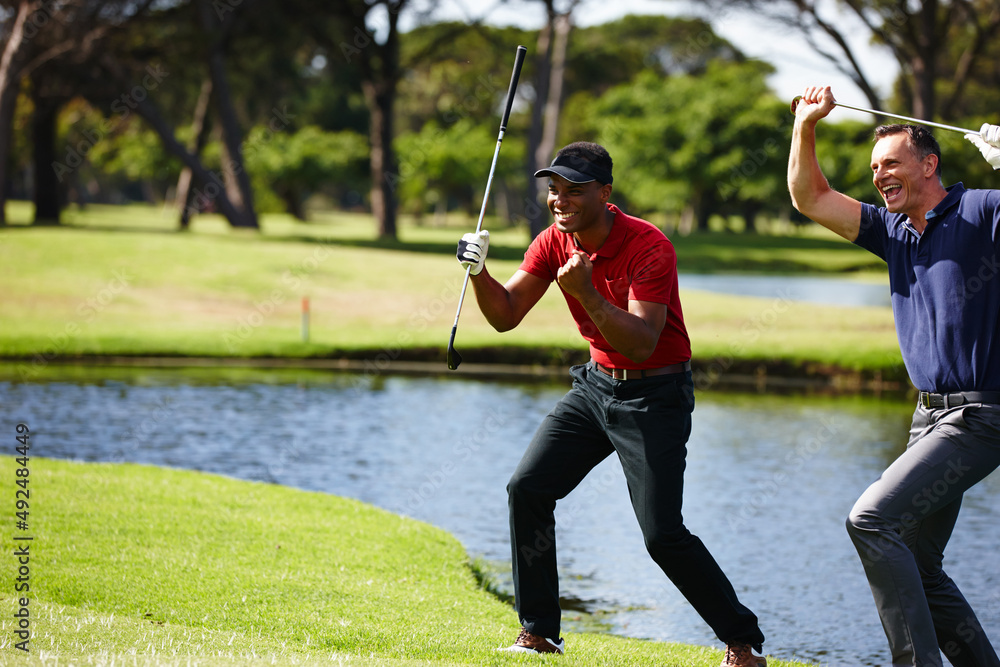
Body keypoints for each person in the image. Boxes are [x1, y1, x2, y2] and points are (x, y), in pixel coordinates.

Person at [455, 141, 767, 667]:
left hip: (656, 395)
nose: (561, 200)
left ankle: (741, 642)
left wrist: (589, 294)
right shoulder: (553, 240)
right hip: (596, 387)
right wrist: (479, 272)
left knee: (662, 535)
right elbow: (506, 315)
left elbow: (643, 341)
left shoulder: (650, 246)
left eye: (574, 190)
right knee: (527, 488)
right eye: (554, 190)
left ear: (605, 192)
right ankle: (538, 634)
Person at [788, 85, 1000, 666]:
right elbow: (811, 197)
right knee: (916, 557)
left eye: (892, 164)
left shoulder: (982, 210)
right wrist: (806, 125)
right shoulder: (892, 230)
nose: (880, 175)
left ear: (929, 164)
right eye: (874, 167)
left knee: (871, 519)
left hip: (980, 415)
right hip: (927, 417)